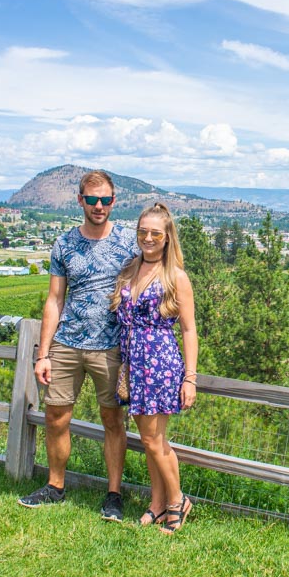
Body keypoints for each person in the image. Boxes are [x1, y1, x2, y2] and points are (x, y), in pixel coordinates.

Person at [18, 170, 139, 522]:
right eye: (92, 199)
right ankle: (55, 487)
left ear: (114, 201)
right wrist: (44, 353)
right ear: (80, 201)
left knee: (113, 421)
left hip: (111, 346)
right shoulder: (64, 244)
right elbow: (54, 300)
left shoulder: (130, 244)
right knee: (56, 416)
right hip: (67, 343)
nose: (99, 206)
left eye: (105, 200)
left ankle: (113, 495)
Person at [110, 202, 198, 534]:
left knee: (152, 439)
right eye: (143, 232)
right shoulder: (132, 268)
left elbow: (189, 329)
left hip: (160, 364)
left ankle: (177, 501)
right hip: (135, 363)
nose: (148, 238)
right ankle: (158, 505)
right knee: (151, 440)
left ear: (167, 237)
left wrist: (190, 378)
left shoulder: (176, 276)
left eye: (155, 233)